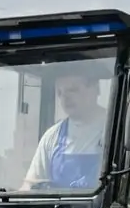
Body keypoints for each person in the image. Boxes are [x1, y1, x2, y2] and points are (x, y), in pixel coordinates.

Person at [22, 61, 111, 190]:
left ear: (96, 89)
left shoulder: (117, 131)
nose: (65, 98)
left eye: (73, 90)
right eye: (60, 92)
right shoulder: (51, 137)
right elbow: (30, 185)